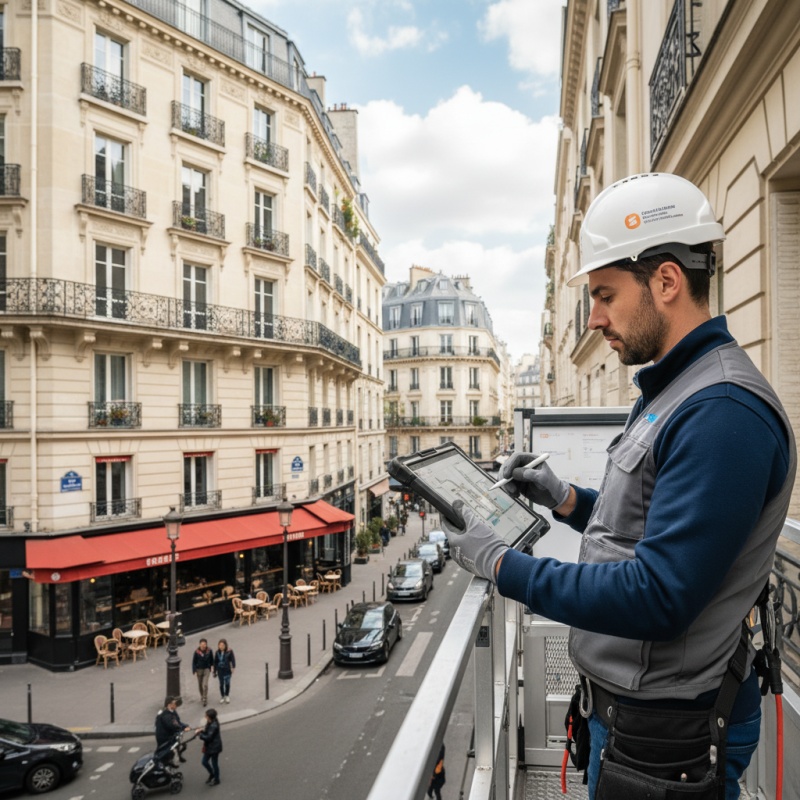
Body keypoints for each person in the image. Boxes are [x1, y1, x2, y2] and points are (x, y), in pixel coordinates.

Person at [442, 173, 797, 800]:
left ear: (665, 280)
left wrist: (503, 565)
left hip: (668, 737)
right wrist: (565, 498)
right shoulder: (677, 389)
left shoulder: (721, 412)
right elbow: (657, 526)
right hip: (643, 719)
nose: (596, 318)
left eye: (605, 294)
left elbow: (660, 594)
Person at [154, 697, 190, 764]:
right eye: (174, 703)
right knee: (164, 750)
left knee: (180, 744)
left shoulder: (172, 711)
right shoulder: (166, 715)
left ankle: (178, 756)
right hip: (164, 736)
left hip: (169, 733)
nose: (176, 705)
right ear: (169, 704)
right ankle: (163, 762)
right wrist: (183, 728)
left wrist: (185, 725)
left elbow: (177, 721)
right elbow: (173, 725)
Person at [196, 707, 222, 786]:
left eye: (206, 716)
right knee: (204, 762)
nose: (205, 717)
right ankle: (212, 774)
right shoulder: (210, 722)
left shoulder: (213, 725)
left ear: (210, 717)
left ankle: (216, 779)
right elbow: (207, 733)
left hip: (214, 748)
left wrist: (199, 734)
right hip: (210, 747)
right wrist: (201, 731)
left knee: (214, 764)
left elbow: (208, 737)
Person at [212, 638, 236, 704]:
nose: (221, 647)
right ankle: (222, 696)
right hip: (220, 671)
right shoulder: (217, 652)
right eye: (220, 645)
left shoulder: (229, 651)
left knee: (227, 683)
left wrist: (233, 667)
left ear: (225, 645)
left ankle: (227, 695)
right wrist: (214, 671)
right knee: (221, 684)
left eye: (222, 645)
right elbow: (215, 662)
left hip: (227, 670)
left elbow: (232, 659)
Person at [192, 638, 213, 707]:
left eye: (205, 644)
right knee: (200, 684)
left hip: (206, 669)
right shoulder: (197, 652)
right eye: (202, 644)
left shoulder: (209, 651)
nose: (203, 646)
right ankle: (202, 695)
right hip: (199, 669)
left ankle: (205, 698)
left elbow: (212, 659)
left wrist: (212, 666)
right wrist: (194, 670)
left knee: (205, 684)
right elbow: (194, 662)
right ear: (200, 644)